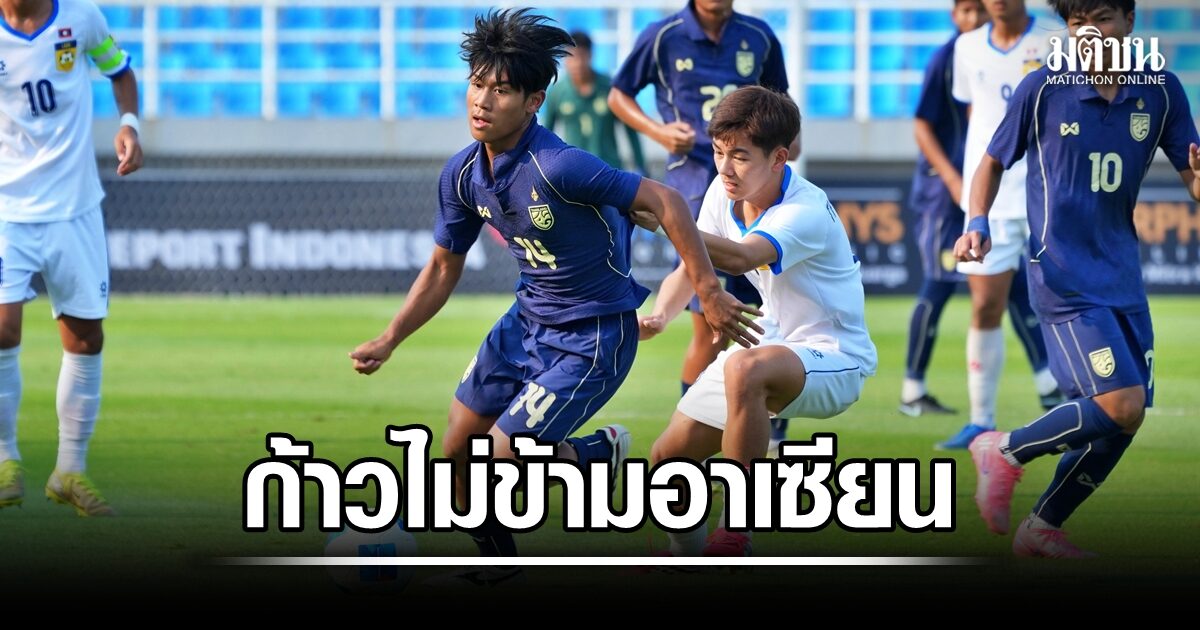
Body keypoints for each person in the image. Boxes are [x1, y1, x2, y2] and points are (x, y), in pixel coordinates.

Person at [349, 9, 761, 585]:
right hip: (526, 321)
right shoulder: (462, 174)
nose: (482, 101)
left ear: (534, 101)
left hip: (593, 335)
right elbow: (443, 267)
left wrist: (709, 291)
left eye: (501, 90)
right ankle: (498, 565)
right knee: (458, 450)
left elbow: (667, 202)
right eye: (477, 84)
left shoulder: (560, 165)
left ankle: (591, 454)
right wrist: (391, 337)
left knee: (503, 455)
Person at [963, 0, 1200, 558]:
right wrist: (977, 220)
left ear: (1129, 23)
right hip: (1062, 273)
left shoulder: (1161, 91)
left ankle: (1041, 527)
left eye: (1102, 18)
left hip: (1122, 274)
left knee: (1124, 419)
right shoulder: (1044, 88)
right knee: (1122, 404)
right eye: (1077, 23)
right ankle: (1003, 449)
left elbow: (1192, 178)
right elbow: (992, 160)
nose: (1090, 33)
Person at [638, 86, 876, 557]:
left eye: (740, 157)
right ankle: (685, 560)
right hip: (769, 339)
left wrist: (666, 220)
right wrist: (661, 315)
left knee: (745, 368)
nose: (724, 169)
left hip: (836, 355)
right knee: (668, 460)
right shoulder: (722, 191)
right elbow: (694, 262)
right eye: (718, 152)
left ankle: (737, 530)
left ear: (779, 158)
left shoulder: (805, 210)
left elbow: (742, 256)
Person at [609, 0, 798, 452]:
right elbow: (618, 95)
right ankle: (692, 434)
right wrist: (657, 132)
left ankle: (770, 435)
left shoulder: (759, 36)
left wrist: (783, 154)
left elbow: (784, 108)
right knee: (709, 326)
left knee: (774, 314)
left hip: (756, 179)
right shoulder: (663, 35)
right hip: (694, 179)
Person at [0, 0, 142, 516]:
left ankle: (69, 471)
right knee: (2, 330)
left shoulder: (81, 17)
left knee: (84, 338)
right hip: (6, 208)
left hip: (74, 206)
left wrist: (129, 124)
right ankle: (4, 459)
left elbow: (120, 73)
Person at [902, 0, 1060, 420]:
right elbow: (953, 117)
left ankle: (1062, 391)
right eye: (968, 8)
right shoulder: (958, 51)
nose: (979, 12)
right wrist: (964, 183)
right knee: (963, 295)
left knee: (1043, 297)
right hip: (972, 195)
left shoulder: (1053, 39)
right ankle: (943, 403)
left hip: (1040, 190)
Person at [543, 31, 646, 174]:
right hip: (573, 172)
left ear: (590, 55)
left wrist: (641, 167)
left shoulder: (610, 88)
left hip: (609, 170)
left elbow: (630, 130)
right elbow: (546, 134)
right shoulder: (557, 92)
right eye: (570, 57)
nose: (577, 63)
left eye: (581, 56)